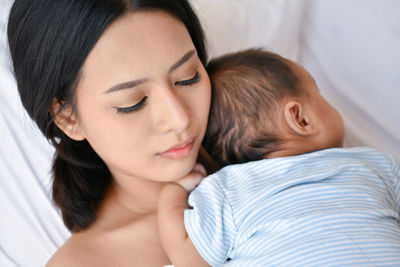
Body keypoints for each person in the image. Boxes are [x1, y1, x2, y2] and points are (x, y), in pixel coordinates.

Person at [7, 0, 219, 266]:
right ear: (67, 117)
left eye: (187, 77)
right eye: (133, 103)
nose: (179, 118)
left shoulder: (272, 136)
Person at [158, 49, 400, 266]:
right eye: (318, 94)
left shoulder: (228, 191)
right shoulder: (375, 166)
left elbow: (188, 257)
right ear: (300, 118)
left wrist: (173, 192)